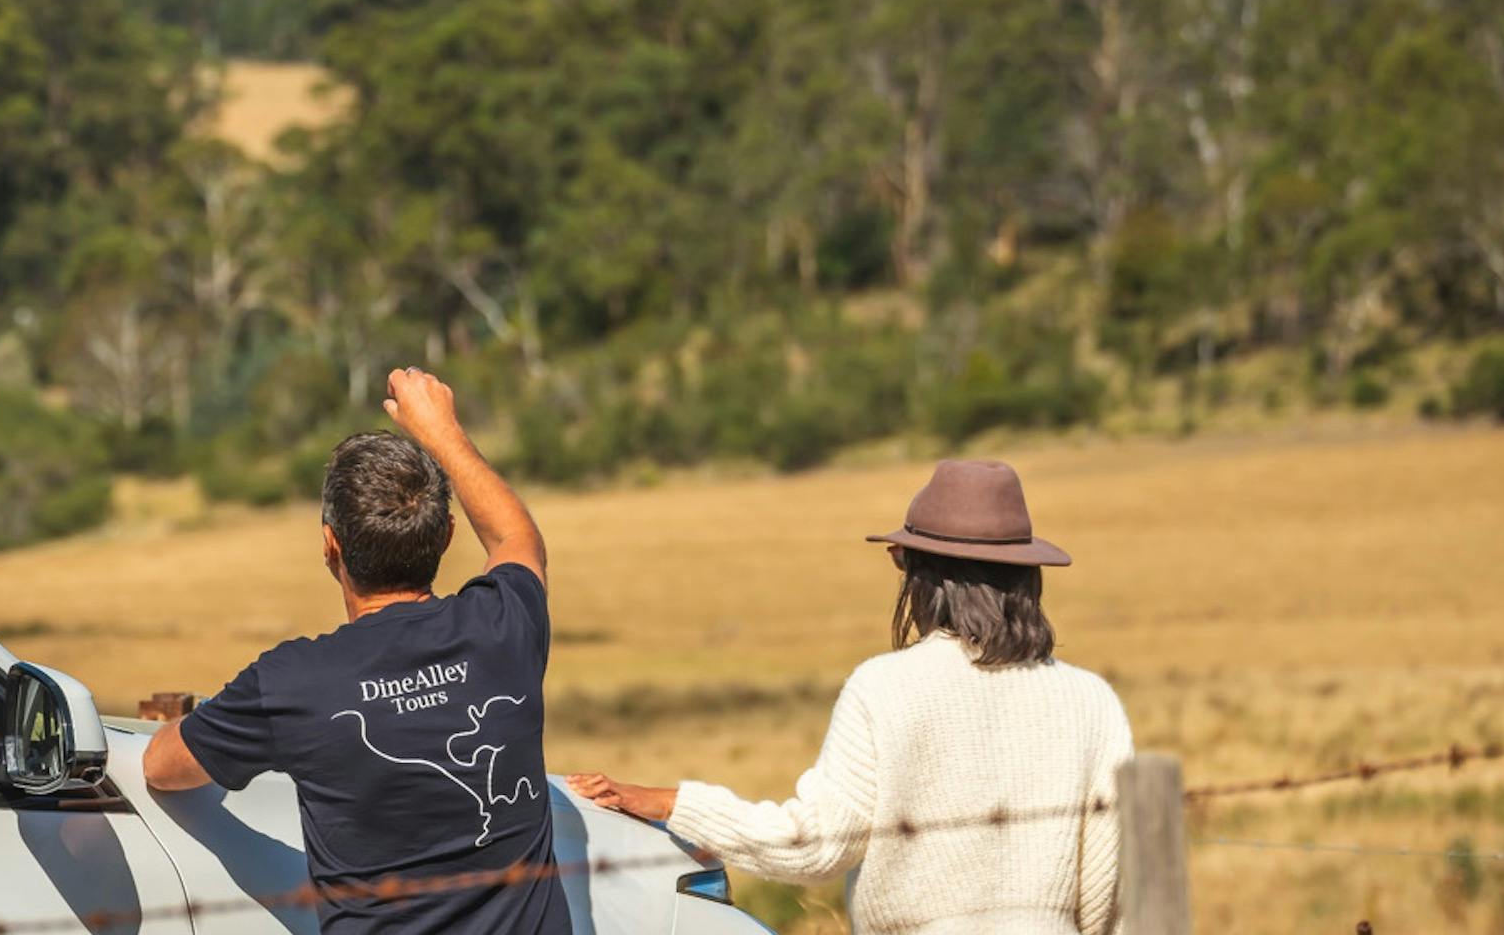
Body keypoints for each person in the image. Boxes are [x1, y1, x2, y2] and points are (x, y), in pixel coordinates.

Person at [567, 459, 1134, 935]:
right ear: (1026, 578)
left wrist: (672, 804)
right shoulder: (1093, 702)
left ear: (923, 576)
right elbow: (1109, 888)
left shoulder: (886, 687)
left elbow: (816, 847)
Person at [143, 368, 570, 935]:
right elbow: (517, 540)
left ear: (329, 545)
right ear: (445, 534)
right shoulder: (504, 626)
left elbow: (161, 768)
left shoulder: (291, 682)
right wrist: (441, 429)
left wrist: (203, 723)